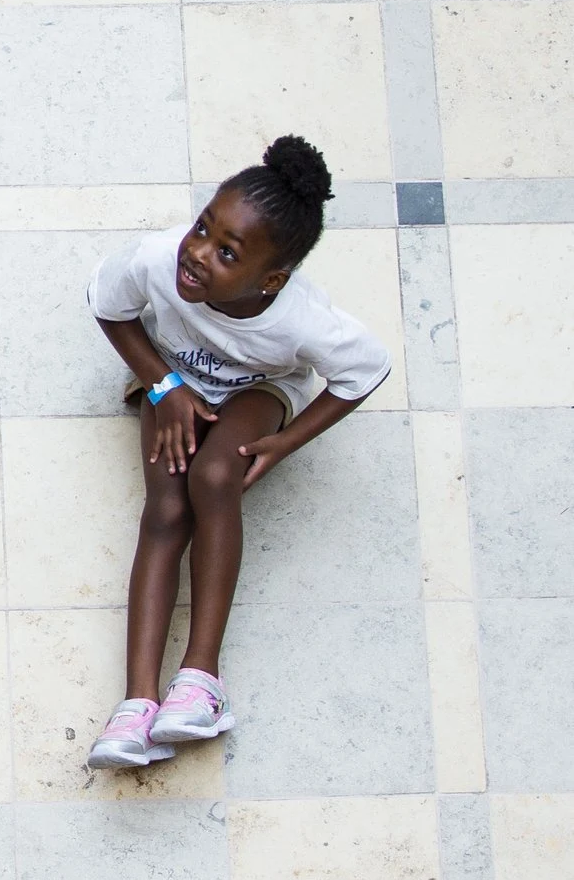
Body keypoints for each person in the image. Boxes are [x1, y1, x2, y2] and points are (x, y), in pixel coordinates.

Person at [83, 136, 391, 771]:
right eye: (203, 228)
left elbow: (363, 372)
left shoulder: (300, 320)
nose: (197, 254)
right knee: (166, 509)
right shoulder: (154, 259)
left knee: (214, 476)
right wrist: (163, 387)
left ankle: (200, 680)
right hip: (173, 382)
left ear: (271, 278)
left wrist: (286, 440)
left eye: (226, 253)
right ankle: (137, 703)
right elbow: (109, 309)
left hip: (259, 387)